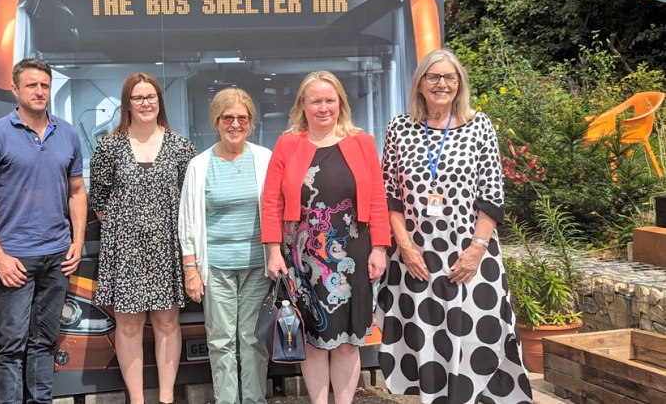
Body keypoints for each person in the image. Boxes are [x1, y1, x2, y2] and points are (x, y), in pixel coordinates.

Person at [377, 49, 532, 404]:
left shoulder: (480, 125)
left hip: (470, 252)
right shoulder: (399, 127)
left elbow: (492, 195)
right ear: (420, 84)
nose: (441, 84)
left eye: (449, 77)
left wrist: (477, 248)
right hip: (417, 256)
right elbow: (389, 196)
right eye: (433, 77)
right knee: (428, 338)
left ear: (459, 84)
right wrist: (405, 246)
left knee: (479, 335)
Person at [262, 71, 391, 404]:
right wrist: (273, 251)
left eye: (329, 100)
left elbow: (377, 198)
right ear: (302, 105)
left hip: (353, 252)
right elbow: (272, 201)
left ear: (340, 104)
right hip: (301, 257)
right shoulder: (287, 144)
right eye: (315, 101)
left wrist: (379, 247)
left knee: (349, 342)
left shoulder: (362, 142)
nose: (323, 108)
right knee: (312, 340)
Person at [0, 58, 87, 404]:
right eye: (32, 85)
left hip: (56, 257)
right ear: (15, 89)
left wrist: (77, 241)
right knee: (10, 347)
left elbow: (77, 192)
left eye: (45, 86)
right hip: (14, 258)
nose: (39, 91)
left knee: (43, 343)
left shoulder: (66, 133)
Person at [89, 72, 197, 404]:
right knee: (130, 326)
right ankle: (136, 399)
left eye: (151, 97)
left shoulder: (180, 146)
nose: (146, 103)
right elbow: (99, 200)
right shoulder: (110, 145)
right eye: (138, 98)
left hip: (168, 247)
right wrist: (129, 229)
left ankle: (166, 398)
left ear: (159, 102)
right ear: (127, 104)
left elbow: (190, 199)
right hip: (125, 252)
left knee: (167, 323)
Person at [178, 88, 272, 404]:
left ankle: (255, 399)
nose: (235, 124)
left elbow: (275, 212)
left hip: (256, 268)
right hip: (215, 267)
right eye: (227, 117)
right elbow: (187, 221)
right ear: (216, 122)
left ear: (251, 122)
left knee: (253, 339)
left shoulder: (264, 159)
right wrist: (191, 269)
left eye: (241, 117)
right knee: (220, 341)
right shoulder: (200, 165)